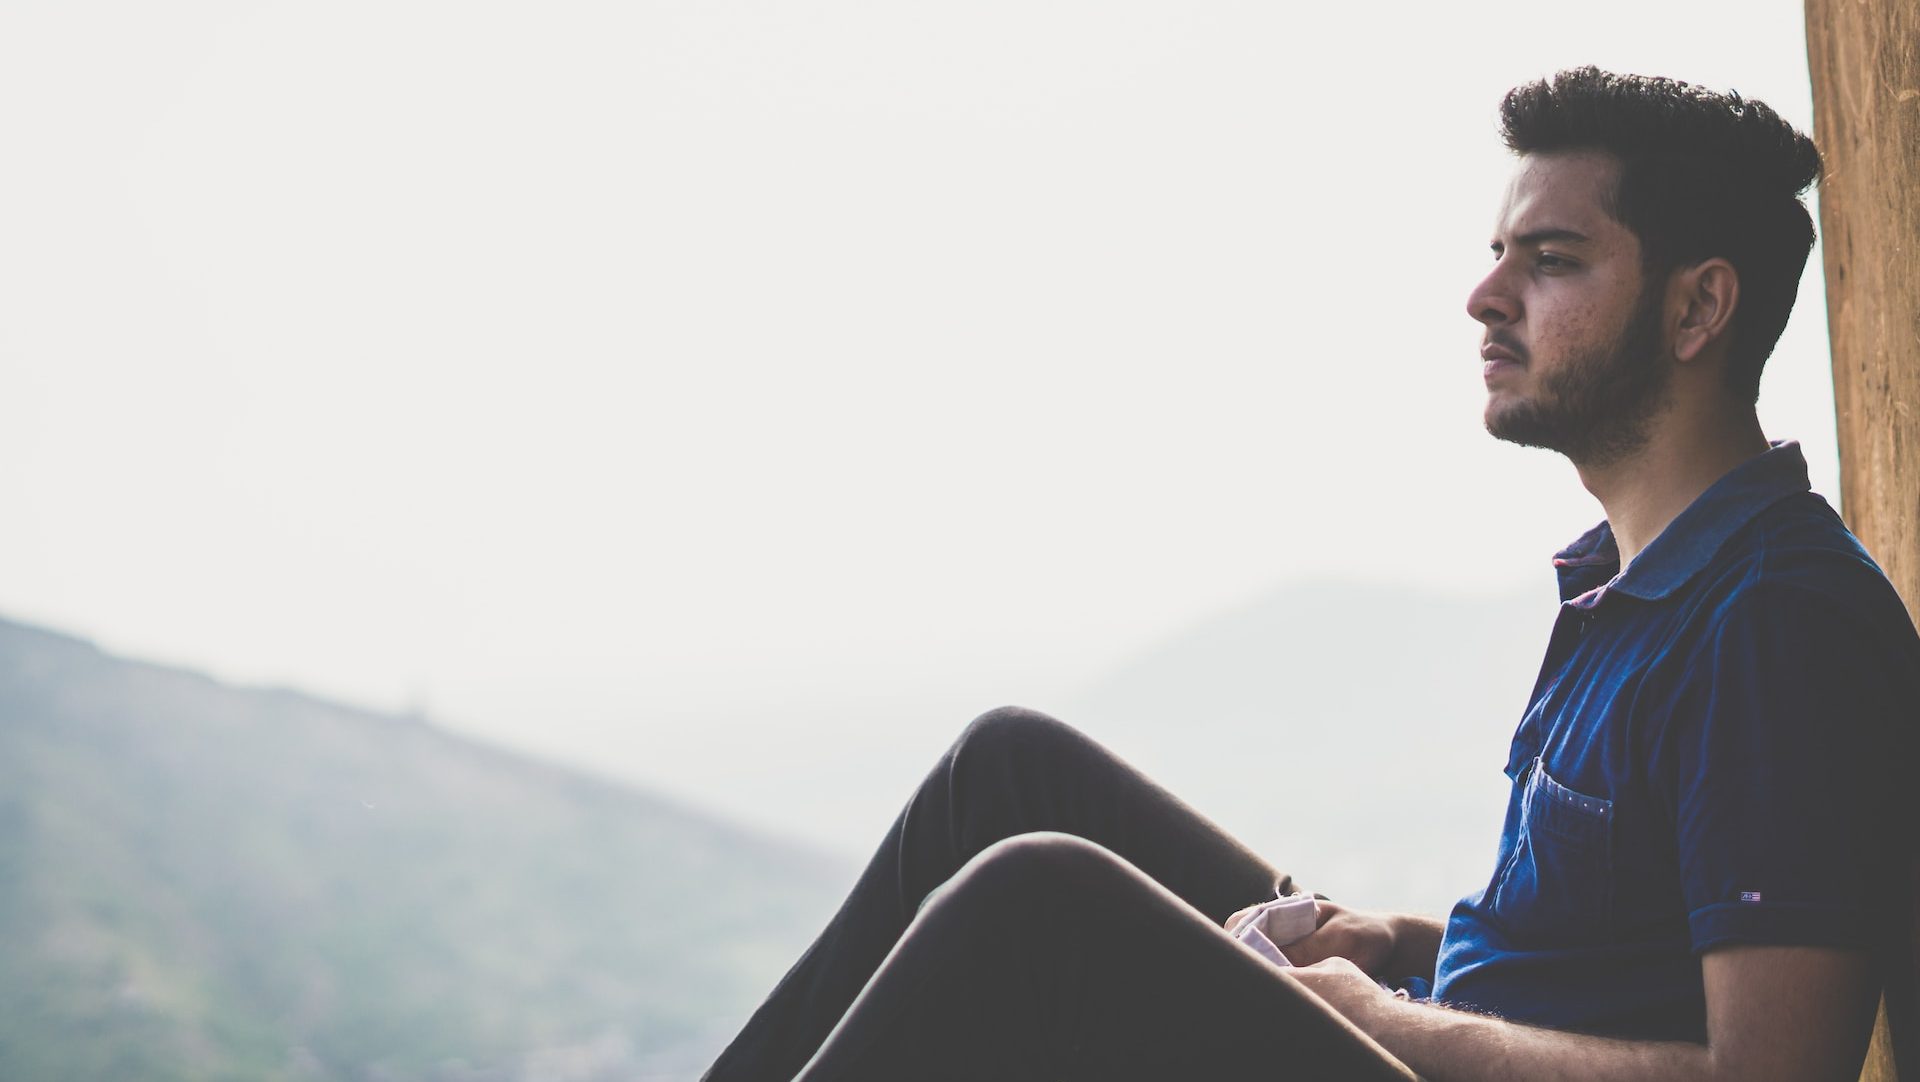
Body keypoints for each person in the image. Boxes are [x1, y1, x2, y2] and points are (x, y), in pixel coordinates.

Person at [701, 67, 1920, 1082]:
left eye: (1549, 262)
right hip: (1431, 1020)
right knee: (1011, 773)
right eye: (1500, 252)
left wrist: (1384, 1021)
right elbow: (1602, 954)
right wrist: (1399, 942)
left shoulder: (1775, 623)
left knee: (1045, 901)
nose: (1484, 297)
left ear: (1698, 306)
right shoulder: (1640, 579)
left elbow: (1766, 1074)